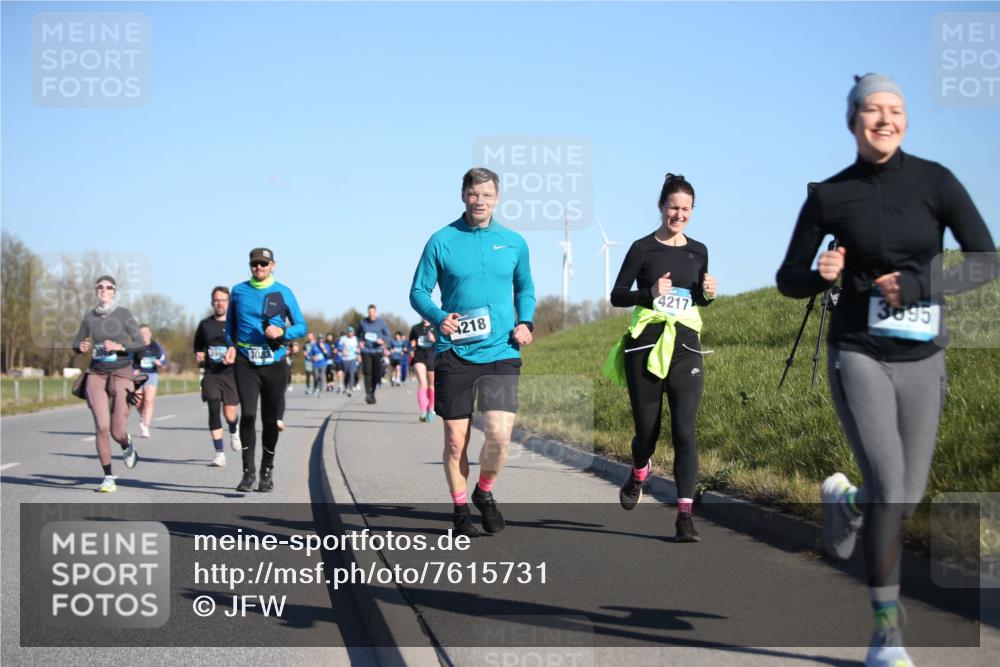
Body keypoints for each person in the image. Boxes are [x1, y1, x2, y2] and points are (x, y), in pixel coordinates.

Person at [776, 74, 998, 667]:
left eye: (895, 110)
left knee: (905, 494)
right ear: (853, 120)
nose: (884, 119)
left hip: (923, 355)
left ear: (905, 120)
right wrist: (818, 276)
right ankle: (886, 632)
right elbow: (786, 277)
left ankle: (846, 502)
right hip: (860, 352)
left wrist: (922, 283)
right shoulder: (830, 196)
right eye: (872, 110)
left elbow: (986, 260)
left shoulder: (936, 181)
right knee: (892, 487)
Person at [410, 167, 536, 537]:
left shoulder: (514, 242)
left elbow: (525, 287)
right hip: (455, 352)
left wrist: (526, 322)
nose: (480, 201)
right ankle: (460, 505)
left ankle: (484, 492)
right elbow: (418, 291)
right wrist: (438, 316)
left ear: (497, 198)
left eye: (487, 195)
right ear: (463, 195)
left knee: (499, 436)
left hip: (501, 350)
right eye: (473, 194)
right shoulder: (442, 240)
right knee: (454, 441)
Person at [604, 173, 717, 543]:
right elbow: (617, 295)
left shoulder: (698, 250)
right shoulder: (641, 248)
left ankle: (685, 515)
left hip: (685, 344)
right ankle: (639, 469)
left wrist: (707, 294)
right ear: (661, 207)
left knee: (685, 430)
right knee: (646, 432)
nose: (679, 214)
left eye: (686, 209)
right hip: (646, 345)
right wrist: (649, 293)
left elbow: (696, 298)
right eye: (673, 207)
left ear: (693, 211)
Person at [224, 248, 307, 493]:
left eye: (263, 264)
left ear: (273, 265)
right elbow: (230, 326)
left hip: (274, 361)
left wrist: (283, 333)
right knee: (248, 414)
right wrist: (230, 346)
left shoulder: (283, 292)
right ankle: (248, 472)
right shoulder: (239, 291)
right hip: (245, 361)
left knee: (270, 420)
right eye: (254, 264)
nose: (258, 268)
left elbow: (301, 326)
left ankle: (266, 470)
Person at [72, 275, 143, 492]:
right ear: (96, 291)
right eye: (100, 287)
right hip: (96, 373)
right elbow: (77, 341)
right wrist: (80, 346)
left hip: (121, 373)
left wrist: (119, 346)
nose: (104, 289)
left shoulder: (123, 314)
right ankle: (109, 477)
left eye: (108, 287)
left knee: (116, 431)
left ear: (114, 291)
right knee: (101, 426)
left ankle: (125, 442)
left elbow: (139, 342)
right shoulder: (90, 317)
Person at [193, 286, 241, 466]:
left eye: (223, 300)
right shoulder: (205, 325)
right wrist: (199, 354)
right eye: (216, 300)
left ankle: (234, 430)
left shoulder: (236, 324)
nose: (220, 303)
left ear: (229, 302)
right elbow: (197, 345)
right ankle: (219, 453)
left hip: (231, 374)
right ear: (212, 302)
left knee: (229, 414)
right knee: (213, 409)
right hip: (212, 374)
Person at [131, 324, 166, 438]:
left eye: (146, 332)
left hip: (151, 374)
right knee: (138, 401)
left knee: (148, 400)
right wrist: (133, 370)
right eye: (141, 333)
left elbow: (164, 363)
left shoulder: (156, 346)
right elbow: (127, 361)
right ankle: (143, 416)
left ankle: (146, 426)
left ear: (150, 333)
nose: (144, 335)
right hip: (138, 376)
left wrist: (160, 364)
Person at [357, 304, 392, 404]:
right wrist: (360, 341)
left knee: (376, 374)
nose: (371, 314)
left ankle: (372, 392)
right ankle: (368, 393)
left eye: (373, 312)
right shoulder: (363, 322)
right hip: (366, 351)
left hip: (377, 351)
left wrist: (383, 340)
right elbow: (357, 334)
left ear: (376, 312)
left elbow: (388, 336)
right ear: (367, 313)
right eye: (369, 313)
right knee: (367, 372)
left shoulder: (381, 323)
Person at [409, 318, 437, 421]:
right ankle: (423, 411)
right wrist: (412, 346)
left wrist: (434, 339)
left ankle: (431, 408)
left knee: (432, 385)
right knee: (422, 383)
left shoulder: (436, 327)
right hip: (419, 357)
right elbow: (411, 343)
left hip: (432, 357)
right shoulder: (415, 328)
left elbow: (441, 343)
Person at [338, 327, 360, 396]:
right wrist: (342, 351)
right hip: (345, 359)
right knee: (346, 374)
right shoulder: (343, 338)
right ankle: (345, 386)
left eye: (352, 332)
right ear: (347, 332)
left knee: (351, 373)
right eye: (349, 332)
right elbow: (339, 347)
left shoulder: (355, 339)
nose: (350, 333)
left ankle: (350, 389)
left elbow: (358, 347)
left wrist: (358, 353)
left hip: (353, 358)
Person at [305, 333, 329, 397]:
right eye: (319, 339)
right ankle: (315, 387)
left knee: (321, 377)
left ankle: (321, 391)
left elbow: (328, 355)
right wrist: (313, 357)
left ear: (323, 339)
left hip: (323, 363)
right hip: (315, 364)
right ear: (317, 339)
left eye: (322, 339)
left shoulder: (326, 345)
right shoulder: (314, 345)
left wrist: (323, 349)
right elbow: (310, 354)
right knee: (316, 377)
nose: (320, 340)